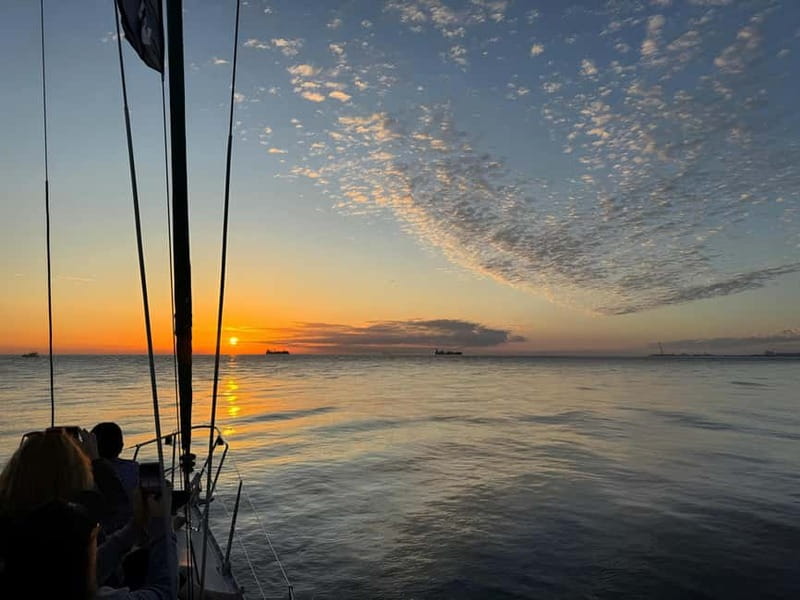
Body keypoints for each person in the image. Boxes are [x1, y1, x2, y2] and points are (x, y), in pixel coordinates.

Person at [0, 428, 177, 599]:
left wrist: (134, 527)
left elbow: (74, 571)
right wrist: (161, 525)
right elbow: (165, 593)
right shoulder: (72, 523)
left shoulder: (19, 532)